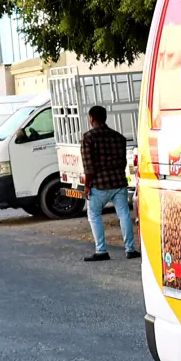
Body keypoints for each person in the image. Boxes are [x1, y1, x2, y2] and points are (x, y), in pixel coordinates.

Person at [80, 104, 139, 262]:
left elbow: (89, 166)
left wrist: (87, 185)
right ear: (105, 118)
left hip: (99, 184)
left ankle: (101, 250)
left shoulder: (88, 137)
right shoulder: (118, 137)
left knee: (94, 215)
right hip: (118, 182)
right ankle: (130, 249)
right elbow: (122, 163)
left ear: (91, 118)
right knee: (124, 215)